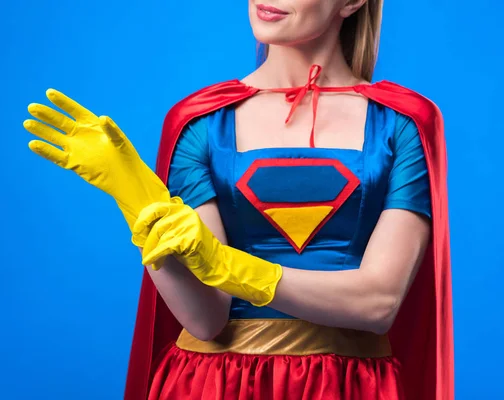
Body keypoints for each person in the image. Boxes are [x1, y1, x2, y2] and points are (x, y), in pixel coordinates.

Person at [24, 0, 453, 399]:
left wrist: (227, 266)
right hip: (212, 384)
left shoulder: (401, 124)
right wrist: (135, 196)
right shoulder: (201, 122)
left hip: (346, 387)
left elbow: (377, 303)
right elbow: (205, 319)